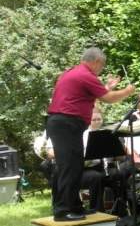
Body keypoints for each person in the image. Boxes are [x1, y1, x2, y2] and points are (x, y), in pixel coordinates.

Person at [46, 47, 135, 221]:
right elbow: (108, 98)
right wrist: (128, 91)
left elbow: (86, 96)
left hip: (65, 124)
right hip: (66, 124)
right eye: (102, 66)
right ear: (96, 62)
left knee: (76, 166)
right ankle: (63, 211)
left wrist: (107, 87)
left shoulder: (73, 72)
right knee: (69, 167)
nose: (101, 70)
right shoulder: (86, 75)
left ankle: (75, 207)